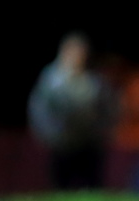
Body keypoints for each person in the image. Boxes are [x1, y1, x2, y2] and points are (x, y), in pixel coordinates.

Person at [28, 33, 116, 189]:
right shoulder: (51, 81)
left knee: (91, 188)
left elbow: (108, 110)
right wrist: (52, 135)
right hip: (61, 145)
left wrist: (101, 133)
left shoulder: (94, 82)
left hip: (89, 146)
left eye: (81, 52)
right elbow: (40, 111)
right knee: (61, 187)